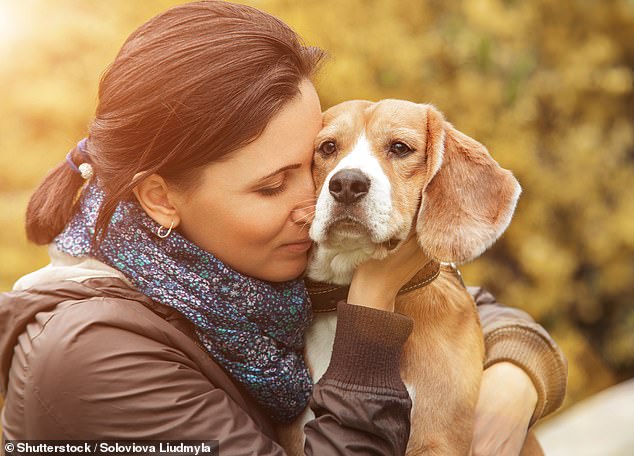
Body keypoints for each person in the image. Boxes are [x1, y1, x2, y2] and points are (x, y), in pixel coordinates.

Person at [0, 1, 567, 454]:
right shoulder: (91, 361)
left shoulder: (235, 274)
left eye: (312, 167)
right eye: (272, 185)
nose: (313, 203)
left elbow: (458, 299)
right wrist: (369, 306)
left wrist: (517, 377)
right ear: (159, 199)